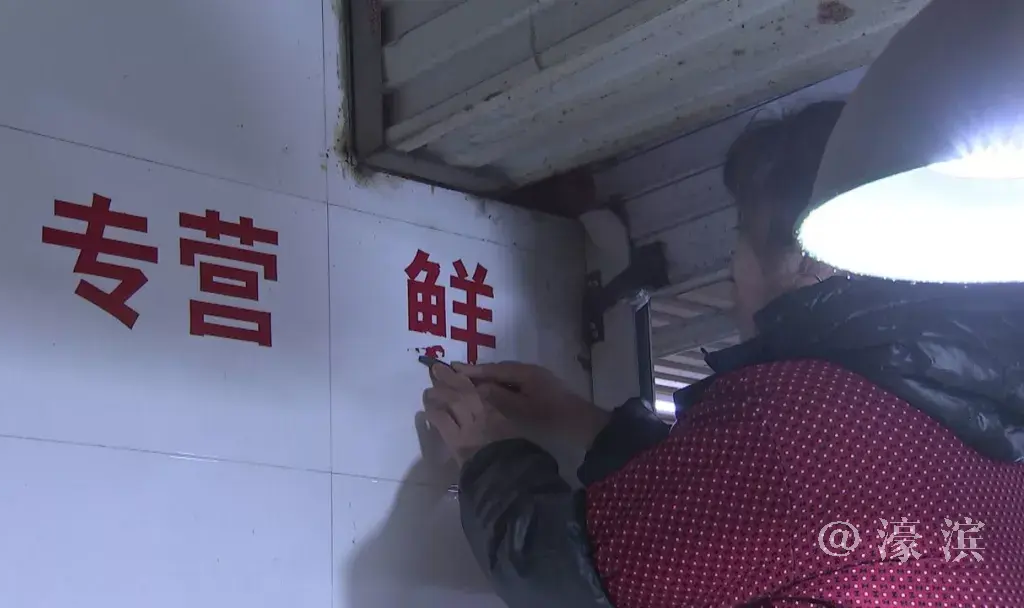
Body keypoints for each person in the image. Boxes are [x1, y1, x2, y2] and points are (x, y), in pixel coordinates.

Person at [421, 101, 1024, 608]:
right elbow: (743, 518)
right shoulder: (991, 440)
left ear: (808, 256)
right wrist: (582, 421)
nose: (732, 267)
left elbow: (566, 574)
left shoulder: (800, 418)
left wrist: (486, 450)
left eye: (741, 235)